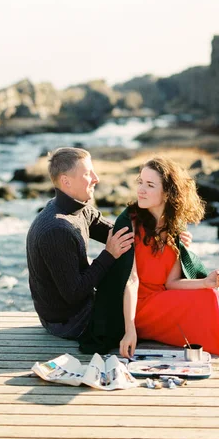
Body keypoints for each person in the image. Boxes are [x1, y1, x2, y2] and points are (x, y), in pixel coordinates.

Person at [115, 156, 219, 419]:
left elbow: (171, 283)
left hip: (161, 299)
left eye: (150, 184)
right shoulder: (131, 222)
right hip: (137, 306)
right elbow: (130, 280)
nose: (141, 190)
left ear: (168, 193)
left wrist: (205, 281)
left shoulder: (174, 230)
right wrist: (129, 329)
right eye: (140, 182)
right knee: (209, 303)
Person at [26, 147, 192, 344]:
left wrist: (167, 236)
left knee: (148, 302)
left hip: (81, 307)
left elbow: (122, 235)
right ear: (66, 181)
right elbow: (74, 294)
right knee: (154, 312)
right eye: (88, 174)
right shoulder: (57, 229)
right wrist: (108, 255)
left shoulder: (79, 209)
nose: (96, 178)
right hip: (71, 322)